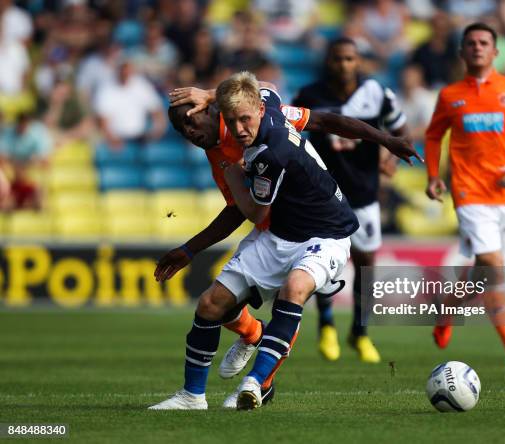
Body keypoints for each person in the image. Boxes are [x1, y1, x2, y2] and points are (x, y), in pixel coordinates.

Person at [149, 75, 420, 410]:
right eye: (181, 129)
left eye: (192, 120)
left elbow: (251, 207)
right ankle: (194, 394)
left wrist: (385, 140)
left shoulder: (265, 146)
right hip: (276, 232)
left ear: (212, 111)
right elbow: (264, 87)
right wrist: (190, 249)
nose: (189, 131)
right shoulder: (245, 124)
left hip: (325, 231)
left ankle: (256, 382)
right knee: (211, 305)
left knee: (294, 288)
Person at [425, 23, 505, 374]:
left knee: (483, 276)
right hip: (469, 193)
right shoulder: (450, 96)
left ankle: (447, 306)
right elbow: (434, 137)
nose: (477, 48)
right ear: (462, 53)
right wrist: (434, 176)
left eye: (484, 43)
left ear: (495, 52)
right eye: (471, 43)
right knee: (494, 270)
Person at [293, 37, 411, 363]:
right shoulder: (309, 95)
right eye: (337, 59)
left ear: (357, 62)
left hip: (364, 193)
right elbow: (291, 136)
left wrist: (391, 161)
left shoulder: (377, 93)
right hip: (324, 194)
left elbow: (403, 132)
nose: (343, 65)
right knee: (323, 262)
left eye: (349, 59)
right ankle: (327, 325)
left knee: (365, 266)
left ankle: (360, 332)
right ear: (328, 61)